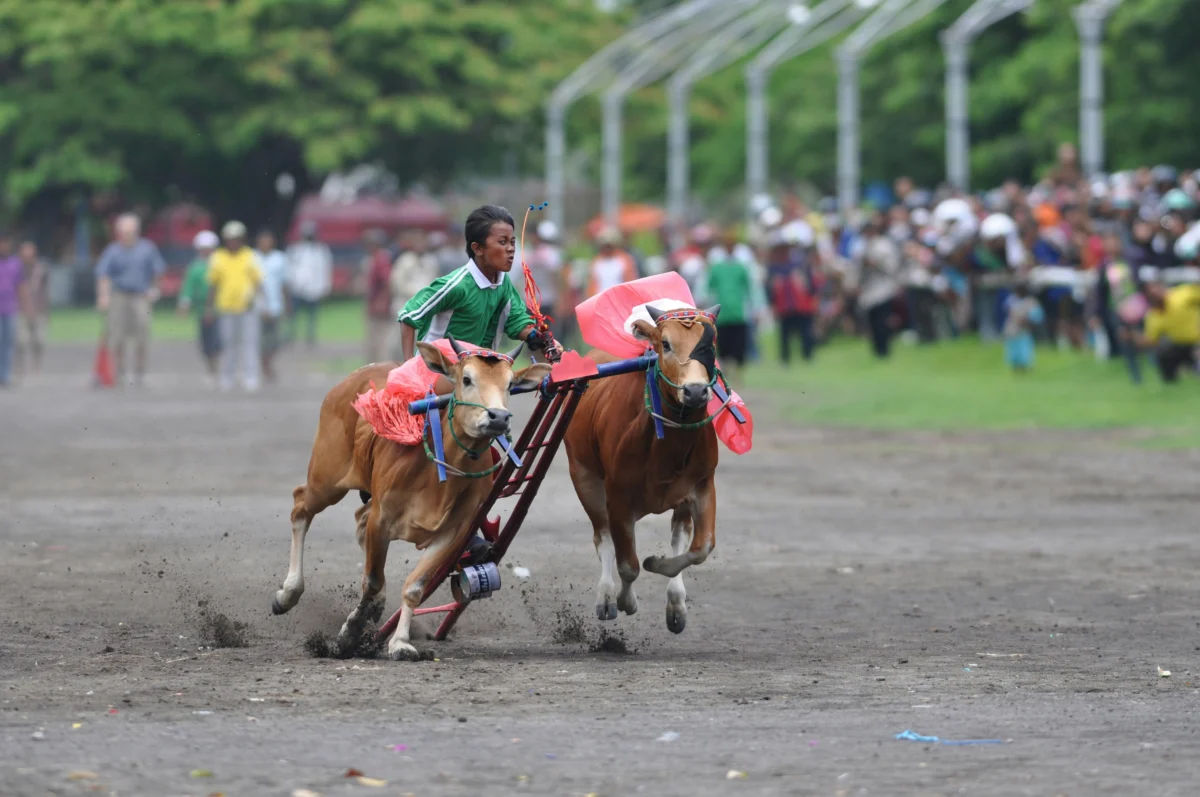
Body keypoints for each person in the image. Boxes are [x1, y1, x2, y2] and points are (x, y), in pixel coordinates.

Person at [397, 204, 562, 565]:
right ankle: (454, 522)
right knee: (472, 445)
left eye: (511, 242)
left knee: (487, 450)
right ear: (477, 248)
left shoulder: (504, 285)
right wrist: (409, 370)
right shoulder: (457, 283)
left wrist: (540, 338)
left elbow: (519, 320)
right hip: (444, 378)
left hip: (482, 384)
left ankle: (468, 524)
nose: (510, 249)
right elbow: (409, 315)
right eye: (501, 242)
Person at [95, 213, 166, 386]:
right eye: (122, 231)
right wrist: (103, 296)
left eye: (129, 230)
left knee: (142, 333)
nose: (126, 234)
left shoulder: (147, 248)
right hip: (119, 295)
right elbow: (103, 275)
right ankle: (120, 372)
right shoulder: (113, 251)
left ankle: (140, 372)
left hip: (140, 296)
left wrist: (155, 289)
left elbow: (158, 270)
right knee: (116, 336)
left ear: (136, 231)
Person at [207, 221, 264, 392]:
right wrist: (209, 307)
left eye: (236, 238)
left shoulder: (250, 256)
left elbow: (258, 282)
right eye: (230, 239)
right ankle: (227, 376)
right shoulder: (218, 257)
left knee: (249, 343)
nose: (233, 242)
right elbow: (213, 284)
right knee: (228, 343)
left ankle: (250, 376)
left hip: (248, 307)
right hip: (226, 307)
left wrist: (263, 303)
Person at [766, 230, 820, 363]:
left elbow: (811, 285)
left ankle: (808, 356)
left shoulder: (801, 264)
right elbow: (770, 288)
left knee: (805, 333)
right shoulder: (774, 267)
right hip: (784, 306)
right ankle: (785, 358)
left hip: (802, 305)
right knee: (785, 335)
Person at [705, 233, 754, 375]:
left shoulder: (741, 267)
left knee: (739, 346)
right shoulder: (716, 268)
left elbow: (750, 289)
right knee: (723, 346)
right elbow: (709, 288)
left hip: (738, 313)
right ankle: (725, 371)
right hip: (722, 313)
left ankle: (739, 374)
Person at [177, 230, 221, 385]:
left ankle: (222, 369)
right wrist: (184, 305)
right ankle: (212, 370)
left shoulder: (220, 263)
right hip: (203, 309)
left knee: (221, 339)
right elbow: (188, 288)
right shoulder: (195, 267)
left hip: (223, 308)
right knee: (207, 341)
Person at [390, 231, 440, 359]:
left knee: (423, 340)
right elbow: (397, 283)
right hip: (406, 305)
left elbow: (435, 282)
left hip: (426, 307)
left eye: (423, 242)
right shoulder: (405, 261)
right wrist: (417, 293)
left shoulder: (431, 261)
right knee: (401, 340)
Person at [1138, 281, 1200, 383]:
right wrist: (1134, 338)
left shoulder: (1182, 294)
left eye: (1155, 288)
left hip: (1197, 341)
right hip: (1181, 345)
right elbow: (1152, 340)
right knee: (1163, 350)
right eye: (1150, 291)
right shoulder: (1153, 316)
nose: (1155, 292)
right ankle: (1171, 380)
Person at [858, 212, 902, 359]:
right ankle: (877, 350)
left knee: (882, 322)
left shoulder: (884, 245)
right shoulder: (864, 246)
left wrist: (876, 264)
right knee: (873, 323)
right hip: (870, 289)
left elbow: (892, 266)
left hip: (883, 288)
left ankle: (884, 350)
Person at [286, 220, 332, 348]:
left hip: (314, 288)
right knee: (294, 315)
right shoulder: (295, 250)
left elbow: (325, 269)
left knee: (312, 316)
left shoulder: (321, 250)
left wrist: (325, 287)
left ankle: (310, 339)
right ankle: (291, 338)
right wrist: (291, 284)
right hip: (298, 287)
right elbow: (290, 268)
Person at [255, 229, 289, 382]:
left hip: (275, 305)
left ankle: (268, 362)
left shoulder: (279, 259)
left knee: (275, 340)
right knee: (260, 339)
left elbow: (283, 283)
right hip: (257, 307)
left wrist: (286, 303)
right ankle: (264, 366)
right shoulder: (252, 258)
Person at [15, 240, 49, 378]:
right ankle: (19, 366)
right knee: (21, 341)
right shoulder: (17, 269)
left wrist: (47, 311)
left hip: (39, 309)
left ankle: (37, 365)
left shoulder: (41, 269)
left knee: (39, 340)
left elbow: (45, 291)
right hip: (20, 309)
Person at [527, 220, 566, 339]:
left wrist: (559, 299)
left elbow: (557, 277)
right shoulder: (530, 253)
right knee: (535, 335)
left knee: (545, 334)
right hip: (533, 300)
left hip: (547, 300)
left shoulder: (551, 254)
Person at [363, 229, 395, 364]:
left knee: (379, 341)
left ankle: (379, 368)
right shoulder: (375, 258)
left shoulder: (381, 259)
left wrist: (382, 301)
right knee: (374, 341)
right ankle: (375, 367)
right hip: (375, 303)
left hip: (379, 305)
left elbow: (387, 281)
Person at [0, 235, 28, 387]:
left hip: (10, 309)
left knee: (8, 343)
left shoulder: (15, 264)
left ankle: (4, 375)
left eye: (6, 244)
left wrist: (25, 306)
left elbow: (21, 285)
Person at [1002, 282, 1044, 372]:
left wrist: (1027, 320)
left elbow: (1037, 316)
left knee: (1024, 350)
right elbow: (1008, 310)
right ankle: (1016, 368)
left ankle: (1025, 368)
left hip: (1024, 330)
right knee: (1013, 350)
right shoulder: (1012, 300)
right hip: (1012, 329)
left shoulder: (1031, 302)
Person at [587, 227, 637, 298]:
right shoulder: (596, 262)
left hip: (619, 298)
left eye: (609, 246)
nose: (607, 248)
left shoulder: (624, 259)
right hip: (600, 299)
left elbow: (630, 281)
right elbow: (592, 284)